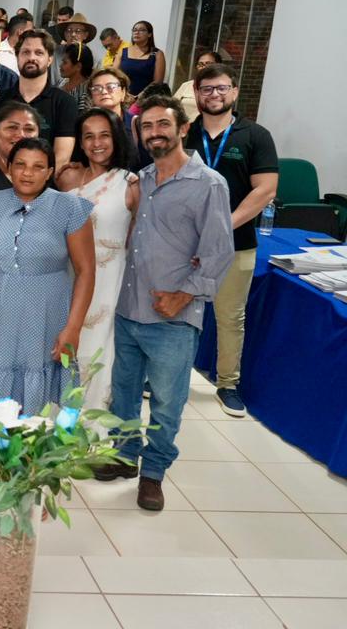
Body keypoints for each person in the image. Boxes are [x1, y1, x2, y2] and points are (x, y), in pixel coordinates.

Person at [96, 95, 235, 512]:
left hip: (172, 316)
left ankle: (153, 473)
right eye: (147, 126)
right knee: (122, 392)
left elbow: (219, 251)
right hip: (129, 308)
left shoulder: (209, 184)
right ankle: (123, 456)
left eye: (162, 125)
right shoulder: (143, 179)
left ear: (182, 129)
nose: (155, 132)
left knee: (167, 401)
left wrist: (184, 295)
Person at [0, 136, 95, 414]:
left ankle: (28, 456)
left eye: (38, 167)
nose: (28, 173)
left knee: (35, 401)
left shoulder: (71, 208)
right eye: (21, 165)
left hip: (43, 312)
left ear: (50, 172)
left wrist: (73, 327)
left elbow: (86, 271)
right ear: (9, 168)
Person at [183, 63, 279, 417]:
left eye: (222, 88)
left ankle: (228, 384)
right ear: (196, 94)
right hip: (185, 245)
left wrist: (223, 227)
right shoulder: (184, 133)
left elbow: (266, 190)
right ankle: (167, 376)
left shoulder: (255, 135)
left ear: (235, 92)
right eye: (207, 89)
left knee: (229, 316)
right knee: (177, 312)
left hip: (236, 244)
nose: (214, 95)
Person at [55, 108, 139, 410]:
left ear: (117, 138)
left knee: (96, 356)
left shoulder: (129, 183)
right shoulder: (67, 178)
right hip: (66, 279)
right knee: (62, 353)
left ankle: (92, 439)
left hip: (108, 283)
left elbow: (135, 237)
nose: (97, 143)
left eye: (104, 135)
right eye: (88, 136)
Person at [0, 29, 78, 168]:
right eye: (26, 52)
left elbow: (61, 158)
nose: (31, 57)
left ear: (50, 59)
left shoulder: (65, 102)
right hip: (0, 181)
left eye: (39, 53)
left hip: (45, 184)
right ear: (17, 56)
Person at [117, 20, 165, 95]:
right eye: (134, 30)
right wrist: (124, 94)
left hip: (146, 99)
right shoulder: (122, 51)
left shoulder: (157, 54)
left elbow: (158, 82)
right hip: (123, 96)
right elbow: (113, 76)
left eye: (142, 30)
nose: (137, 32)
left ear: (149, 34)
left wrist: (140, 96)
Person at [173, 50, 222, 122]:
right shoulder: (187, 85)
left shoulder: (222, 88)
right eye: (200, 64)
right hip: (184, 128)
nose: (204, 67)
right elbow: (171, 107)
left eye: (208, 64)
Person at [57, 42, 95, 110]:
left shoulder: (85, 94)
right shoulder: (62, 82)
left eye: (65, 62)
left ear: (78, 66)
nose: (60, 65)